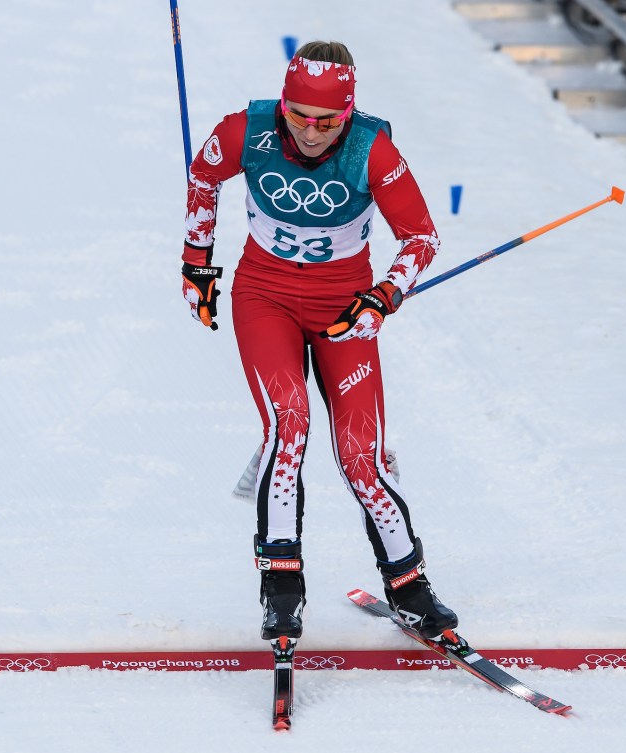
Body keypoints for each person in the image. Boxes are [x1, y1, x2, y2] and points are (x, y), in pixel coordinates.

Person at [180, 41, 458, 642]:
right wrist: (195, 264)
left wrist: (385, 294)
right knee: (289, 427)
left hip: (342, 310)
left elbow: (422, 238)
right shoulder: (244, 131)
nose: (310, 131)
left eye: (327, 120)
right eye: (299, 116)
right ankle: (281, 585)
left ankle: (409, 588)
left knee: (362, 459)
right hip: (266, 299)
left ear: (349, 113)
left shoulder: (371, 149)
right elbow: (203, 176)